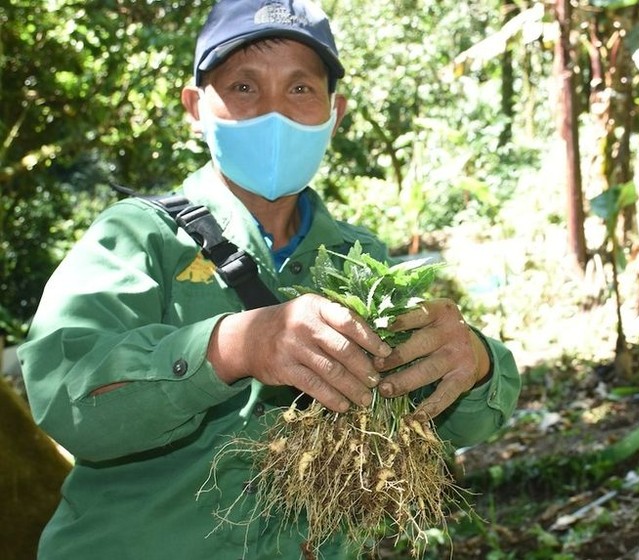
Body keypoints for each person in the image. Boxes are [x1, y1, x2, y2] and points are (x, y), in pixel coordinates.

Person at [18, 0, 521, 558]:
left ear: (336, 112)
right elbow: (66, 398)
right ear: (195, 107)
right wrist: (234, 346)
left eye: (301, 90)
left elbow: (454, 421)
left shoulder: (363, 260)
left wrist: (473, 363)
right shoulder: (137, 237)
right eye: (243, 87)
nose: (274, 113)